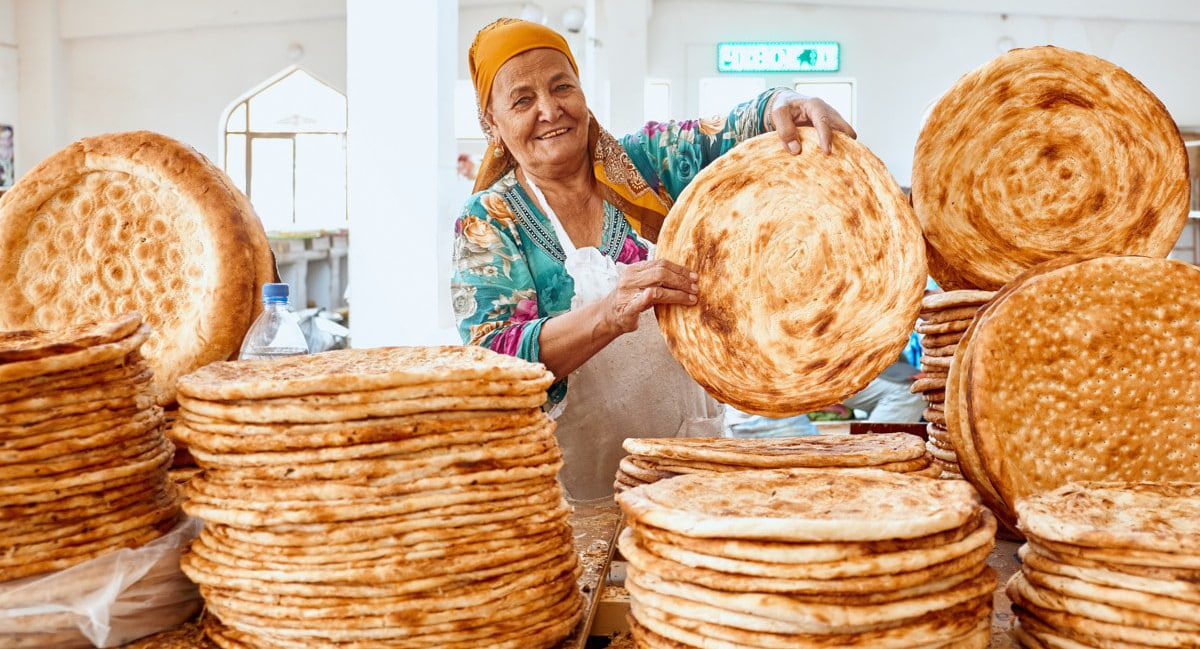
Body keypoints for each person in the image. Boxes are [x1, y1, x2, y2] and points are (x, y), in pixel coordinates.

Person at [451, 18, 856, 499]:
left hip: (690, 466)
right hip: (573, 494)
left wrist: (785, 102)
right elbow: (492, 358)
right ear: (492, 124)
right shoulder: (491, 220)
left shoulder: (646, 165)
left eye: (563, 86)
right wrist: (606, 314)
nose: (550, 109)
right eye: (522, 100)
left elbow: (733, 130)